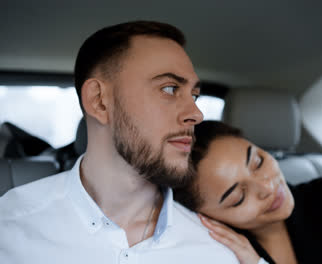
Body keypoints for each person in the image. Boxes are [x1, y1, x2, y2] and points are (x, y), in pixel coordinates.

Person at [0, 21, 238, 263]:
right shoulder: (9, 229)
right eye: (169, 88)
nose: (196, 114)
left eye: (194, 96)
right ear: (99, 101)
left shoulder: (217, 252)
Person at [174, 121, 322, 264]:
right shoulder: (213, 251)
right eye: (238, 198)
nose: (267, 187)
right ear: (207, 217)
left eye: (258, 162)